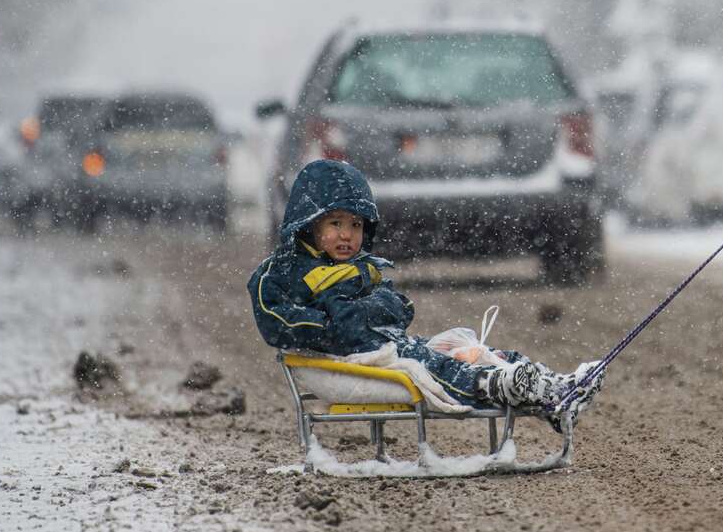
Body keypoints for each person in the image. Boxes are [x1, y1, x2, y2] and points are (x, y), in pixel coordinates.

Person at [248, 159, 598, 423]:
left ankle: (547, 385)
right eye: (335, 223)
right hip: (348, 358)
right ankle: (499, 385)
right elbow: (278, 322)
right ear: (309, 225)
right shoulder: (283, 272)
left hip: (389, 342)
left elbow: (401, 307)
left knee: (459, 349)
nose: (347, 235)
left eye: (355, 225)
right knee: (433, 365)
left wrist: (368, 312)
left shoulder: (363, 267)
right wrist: (332, 326)